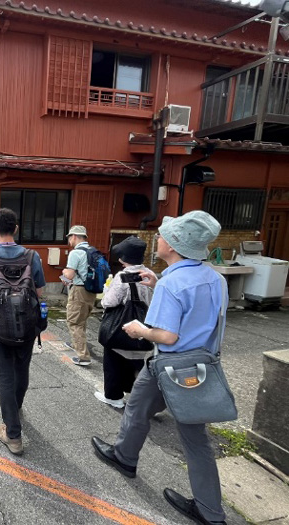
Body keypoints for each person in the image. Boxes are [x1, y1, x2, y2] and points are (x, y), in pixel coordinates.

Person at [92, 210, 228, 525]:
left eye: (165, 234)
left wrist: (140, 330)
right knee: (147, 413)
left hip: (169, 363)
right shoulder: (214, 278)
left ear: (176, 244)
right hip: (201, 366)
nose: (159, 237)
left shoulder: (173, 283)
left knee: (142, 412)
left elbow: (167, 334)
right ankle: (127, 457)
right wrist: (157, 282)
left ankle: (208, 511)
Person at [0, 208, 46, 456]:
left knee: (5, 376)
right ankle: (15, 408)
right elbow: (38, 293)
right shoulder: (31, 256)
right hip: (27, 327)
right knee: (22, 369)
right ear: (15, 229)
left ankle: (13, 435)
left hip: (1, 329)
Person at [95, 236, 153, 408]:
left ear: (123, 257)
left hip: (122, 327)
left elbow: (108, 302)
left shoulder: (123, 277)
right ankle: (142, 399)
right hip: (143, 325)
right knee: (138, 364)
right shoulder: (149, 274)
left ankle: (114, 397)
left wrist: (107, 289)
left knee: (113, 362)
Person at [62, 225, 97, 366]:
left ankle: (83, 357)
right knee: (81, 319)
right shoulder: (92, 251)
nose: (69, 240)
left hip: (79, 290)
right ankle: (77, 344)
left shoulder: (76, 253)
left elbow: (69, 274)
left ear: (74, 236)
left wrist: (65, 272)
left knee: (74, 321)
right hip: (91, 290)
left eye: (70, 237)